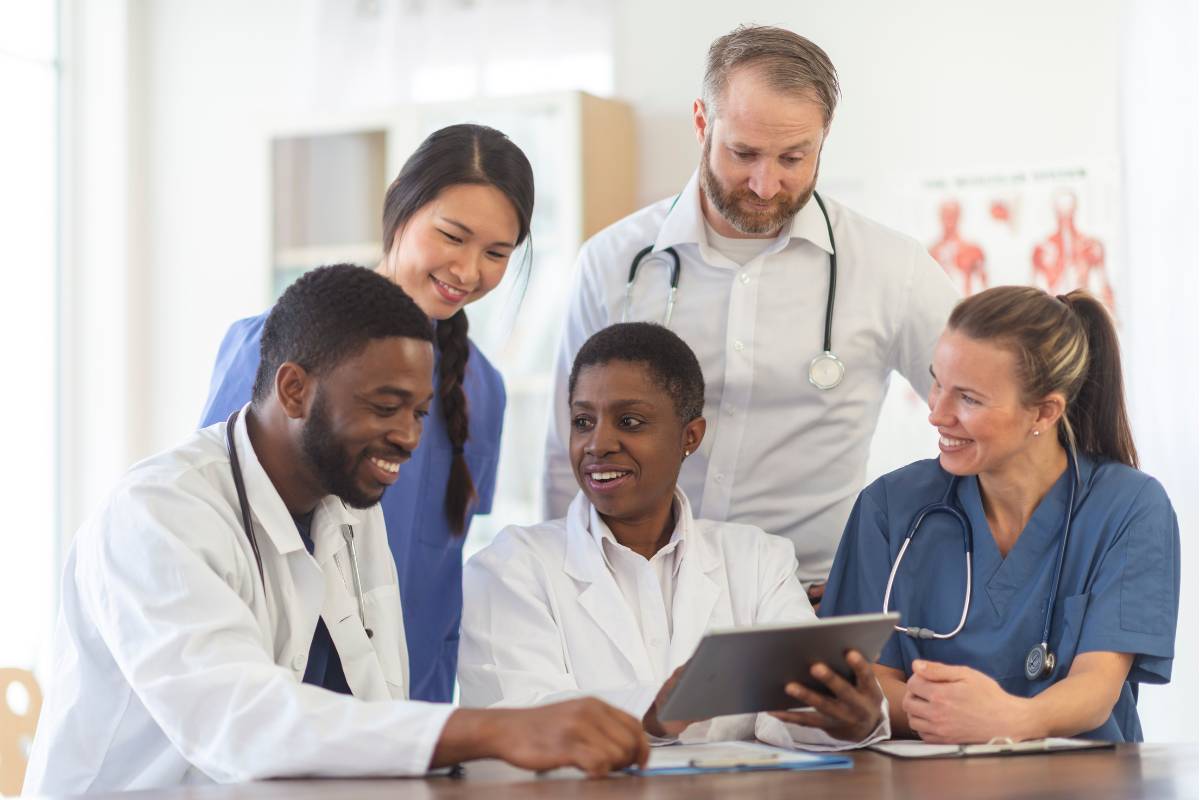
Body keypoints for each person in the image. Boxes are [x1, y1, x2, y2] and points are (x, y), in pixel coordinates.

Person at [24, 266, 648, 795]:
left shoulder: (350, 507)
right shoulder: (159, 514)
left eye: (419, 412)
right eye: (385, 406)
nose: (409, 436)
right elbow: (238, 721)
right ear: (294, 389)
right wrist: (490, 729)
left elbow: (378, 697)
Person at [542, 26, 958, 603]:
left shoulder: (892, 268)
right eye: (744, 154)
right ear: (700, 122)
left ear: (824, 138)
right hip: (640, 592)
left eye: (794, 157)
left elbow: (981, 411)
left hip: (810, 596)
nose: (767, 184)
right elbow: (569, 452)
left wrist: (918, 551)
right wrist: (569, 589)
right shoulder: (614, 263)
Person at [201, 124, 531, 702]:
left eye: (496, 253)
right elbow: (212, 534)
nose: (469, 270)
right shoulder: (273, 348)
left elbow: (440, 579)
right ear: (399, 201)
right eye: (453, 236)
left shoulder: (482, 389)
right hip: (276, 699)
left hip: (408, 715)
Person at [462, 322, 888, 749]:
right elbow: (516, 715)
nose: (598, 443)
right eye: (582, 420)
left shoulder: (757, 560)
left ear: (690, 436)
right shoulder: (512, 566)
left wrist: (846, 719)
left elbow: (786, 713)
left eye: (629, 421)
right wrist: (652, 713)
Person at [819, 286, 1180, 743]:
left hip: (1081, 781)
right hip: (926, 781)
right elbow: (864, 680)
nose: (938, 414)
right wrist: (950, 712)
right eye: (937, 383)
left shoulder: (1129, 507)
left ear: (1046, 412)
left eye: (968, 399)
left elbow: (1096, 688)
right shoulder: (890, 506)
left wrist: (1011, 720)